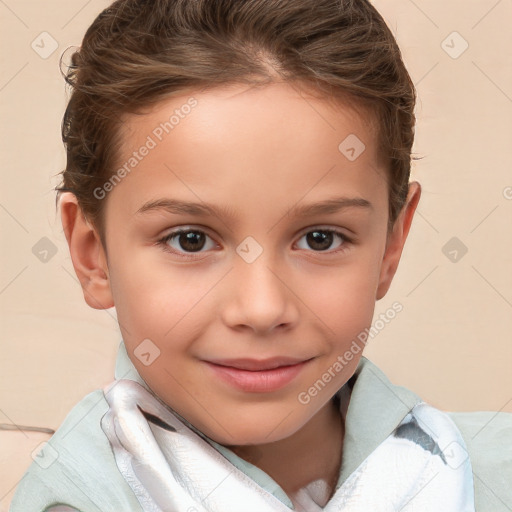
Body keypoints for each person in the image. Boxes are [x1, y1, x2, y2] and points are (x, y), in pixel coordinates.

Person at [10, 0, 511, 510]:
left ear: (391, 245)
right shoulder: (74, 498)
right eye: (191, 240)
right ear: (93, 255)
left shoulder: (491, 470)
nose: (262, 308)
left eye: (321, 238)